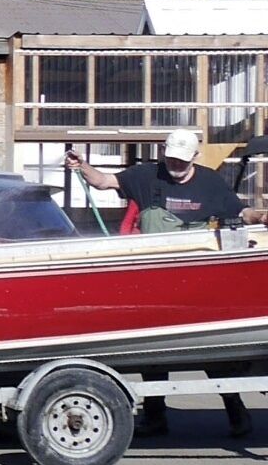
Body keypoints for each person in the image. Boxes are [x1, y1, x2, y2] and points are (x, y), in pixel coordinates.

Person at [67, 128, 267, 439]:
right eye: (171, 159)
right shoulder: (146, 176)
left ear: (195, 158)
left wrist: (259, 217)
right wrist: (82, 166)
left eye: (182, 162)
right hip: (154, 281)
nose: (175, 166)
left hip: (199, 284)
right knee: (154, 355)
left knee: (211, 353)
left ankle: (236, 412)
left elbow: (240, 211)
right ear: (164, 153)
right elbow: (105, 181)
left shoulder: (210, 182)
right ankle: (156, 416)